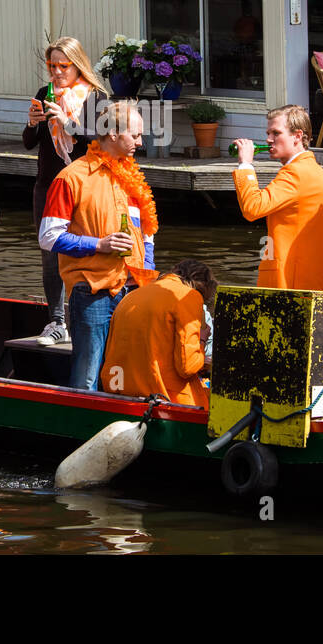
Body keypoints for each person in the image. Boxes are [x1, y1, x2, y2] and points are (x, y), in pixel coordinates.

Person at [39, 100, 156, 391]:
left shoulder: (132, 177)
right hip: (92, 291)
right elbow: (48, 237)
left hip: (133, 290)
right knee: (88, 374)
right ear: (114, 134)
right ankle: (81, 431)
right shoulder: (71, 177)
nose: (140, 143)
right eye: (136, 135)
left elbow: (147, 233)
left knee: (127, 371)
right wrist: (99, 244)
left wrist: (149, 275)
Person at [23, 36, 106, 346]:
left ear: (77, 66)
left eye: (63, 66)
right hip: (48, 184)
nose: (56, 72)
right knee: (50, 254)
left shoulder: (95, 97)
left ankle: (82, 318)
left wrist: (68, 124)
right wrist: (33, 124)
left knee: (85, 249)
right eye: (51, 65)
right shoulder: (44, 94)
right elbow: (30, 143)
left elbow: (99, 143)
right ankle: (56, 320)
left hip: (84, 186)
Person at [232, 104, 323, 291]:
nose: (268, 140)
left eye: (276, 133)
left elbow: (252, 208)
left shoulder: (295, 173)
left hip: (286, 284)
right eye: (268, 133)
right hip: (316, 281)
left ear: (297, 136)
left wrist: (245, 165)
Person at [101, 259, 217, 407]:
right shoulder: (189, 297)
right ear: (203, 287)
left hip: (118, 387)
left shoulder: (132, 295)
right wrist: (201, 340)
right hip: (162, 395)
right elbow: (188, 367)